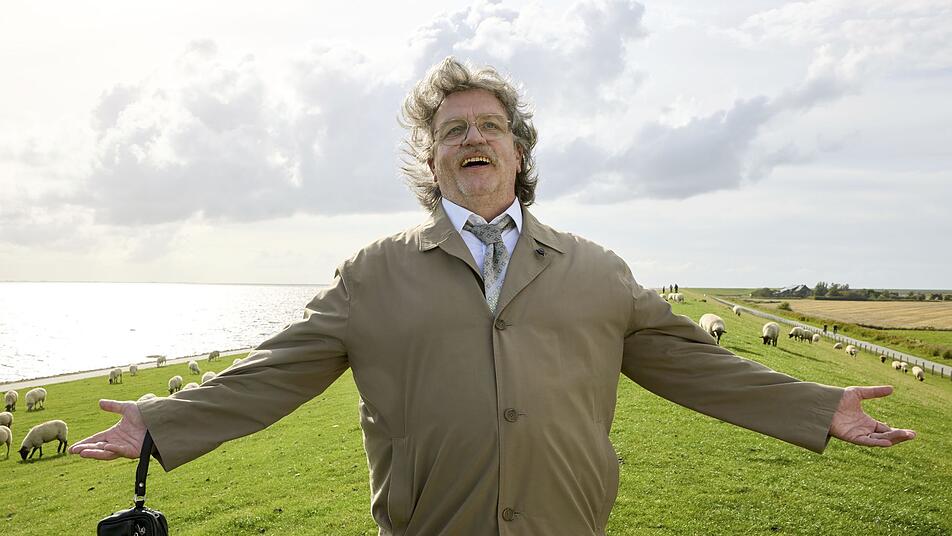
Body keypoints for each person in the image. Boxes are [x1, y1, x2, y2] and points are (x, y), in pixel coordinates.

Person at [71, 57, 915, 536]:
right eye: (453, 132)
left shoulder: (597, 269)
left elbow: (697, 364)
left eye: (490, 127)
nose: (472, 138)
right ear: (432, 161)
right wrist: (163, 421)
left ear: (518, 153)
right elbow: (275, 370)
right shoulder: (372, 273)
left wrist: (817, 406)